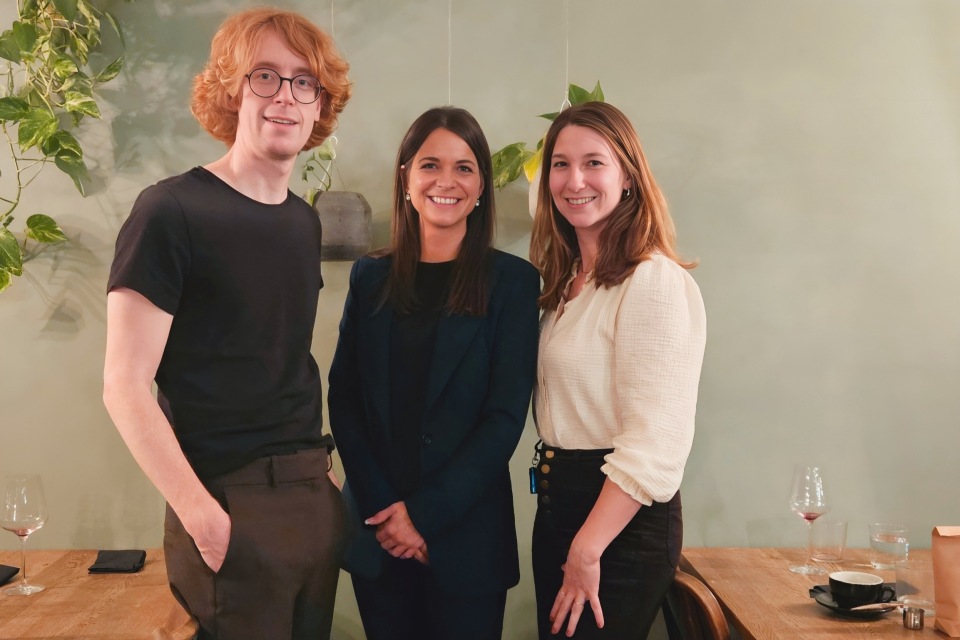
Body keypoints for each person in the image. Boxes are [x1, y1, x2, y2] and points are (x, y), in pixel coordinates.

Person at [102, 8, 351, 639]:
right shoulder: (170, 211)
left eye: (304, 82)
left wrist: (323, 494)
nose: (286, 97)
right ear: (231, 88)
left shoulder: (303, 222)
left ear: (320, 103)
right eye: (265, 76)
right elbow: (123, 387)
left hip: (310, 499)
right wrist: (204, 520)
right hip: (225, 504)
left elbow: (281, 361)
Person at [328, 106, 540, 639]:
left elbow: (504, 417)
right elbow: (345, 398)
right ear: (406, 178)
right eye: (430, 165)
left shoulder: (513, 283)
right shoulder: (369, 277)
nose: (447, 181)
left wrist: (422, 516)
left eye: (465, 168)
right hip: (377, 534)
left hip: (467, 536)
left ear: (482, 186)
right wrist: (386, 512)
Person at [528, 101, 707, 639]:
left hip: (617, 525)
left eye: (593, 163)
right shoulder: (568, 285)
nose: (573, 180)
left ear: (628, 175)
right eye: (560, 164)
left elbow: (655, 444)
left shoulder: (651, 280)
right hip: (561, 505)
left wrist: (586, 548)